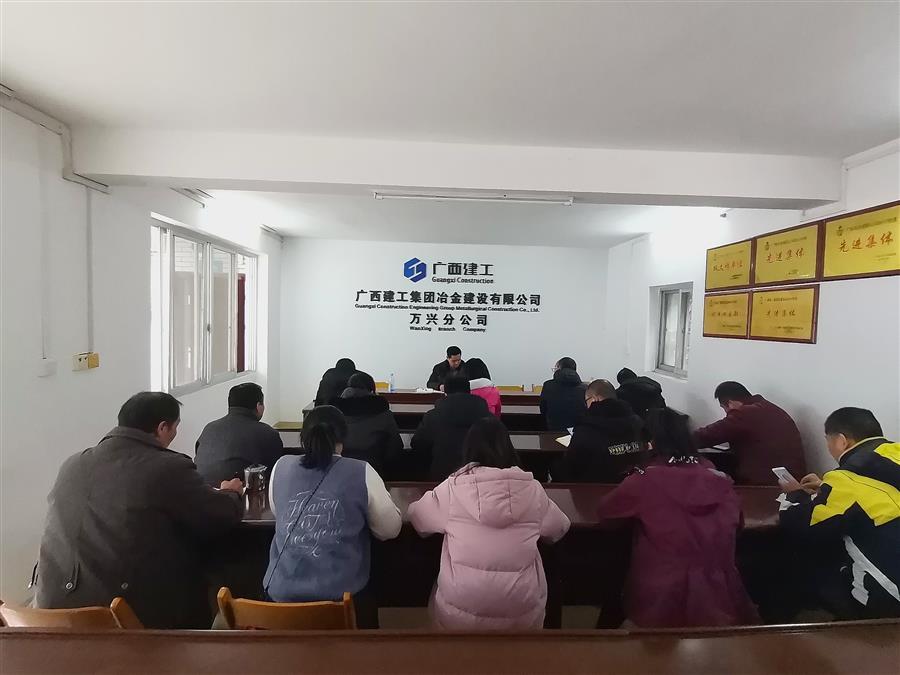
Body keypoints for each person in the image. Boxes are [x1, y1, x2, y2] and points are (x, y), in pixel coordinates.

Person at [35, 392, 244, 629]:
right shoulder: (168, 467)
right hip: (125, 617)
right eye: (175, 427)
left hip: (52, 613)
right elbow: (219, 515)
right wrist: (231, 493)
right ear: (163, 427)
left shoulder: (73, 463)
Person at [596, 408, 759, 628]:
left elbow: (606, 514)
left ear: (650, 443)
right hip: (721, 593)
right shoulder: (719, 479)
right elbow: (738, 525)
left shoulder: (644, 480)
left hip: (660, 595)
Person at [407, 417, 570, 629]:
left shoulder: (452, 488)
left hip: (460, 615)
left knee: (437, 585)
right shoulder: (532, 489)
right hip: (522, 613)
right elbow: (560, 528)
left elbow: (418, 519)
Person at [264, 406, 402, 628]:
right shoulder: (361, 471)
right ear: (344, 436)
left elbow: (278, 512)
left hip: (279, 602)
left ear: (303, 436)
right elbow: (390, 529)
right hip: (342, 603)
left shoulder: (282, 466)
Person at [778, 407, 899, 620]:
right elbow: (884, 491)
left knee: (810, 560)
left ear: (842, 441)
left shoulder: (845, 479)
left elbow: (803, 524)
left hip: (890, 597)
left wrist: (794, 494)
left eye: (828, 440)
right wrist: (825, 487)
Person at [693, 381, 806, 486]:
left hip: (766, 484)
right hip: (791, 479)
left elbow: (708, 435)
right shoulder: (769, 408)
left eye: (724, 408)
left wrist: (683, 438)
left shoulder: (745, 414)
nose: (727, 413)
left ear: (730, 403)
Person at [554, 379, 647, 483]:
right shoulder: (637, 422)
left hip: (593, 485)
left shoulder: (586, 428)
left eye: (586, 401)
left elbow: (572, 466)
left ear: (594, 399)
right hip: (632, 483)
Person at [194, 382, 284, 486]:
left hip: (201, 490)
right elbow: (275, 472)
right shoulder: (267, 433)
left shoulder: (209, 428)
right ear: (258, 406)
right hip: (239, 492)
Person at [411, 374, 490, 479]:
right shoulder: (488, 416)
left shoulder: (432, 416)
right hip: (481, 477)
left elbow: (418, 444)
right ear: (469, 391)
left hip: (442, 477)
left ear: (445, 393)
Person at [332, 371, 404, 477]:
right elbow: (396, 447)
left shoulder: (333, 413)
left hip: (337, 470)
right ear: (372, 390)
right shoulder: (383, 413)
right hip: (374, 470)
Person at [539, 357, 587, 430]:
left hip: (553, 429)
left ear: (559, 368)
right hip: (578, 431)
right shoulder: (585, 388)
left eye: (555, 368)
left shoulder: (548, 385)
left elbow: (543, 409)